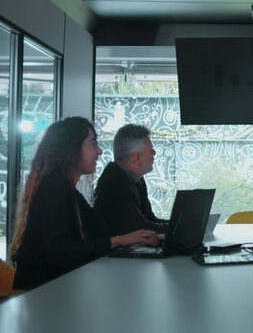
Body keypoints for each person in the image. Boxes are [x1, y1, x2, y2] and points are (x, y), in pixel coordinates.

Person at [9, 117, 160, 290]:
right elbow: (59, 250)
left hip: (57, 287)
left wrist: (135, 237)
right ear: (71, 149)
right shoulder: (55, 188)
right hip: (41, 295)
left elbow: (101, 230)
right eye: (93, 144)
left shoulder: (68, 189)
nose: (100, 151)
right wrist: (118, 240)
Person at [94, 124, 168, 236]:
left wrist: (178, 225)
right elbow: (139, 228)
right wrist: (180, 228)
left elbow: (150, 219)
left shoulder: (137, 179)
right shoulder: (113, 183)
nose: (154, 153)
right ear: (137, 158)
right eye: (151, 151)